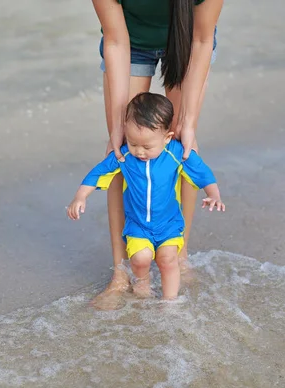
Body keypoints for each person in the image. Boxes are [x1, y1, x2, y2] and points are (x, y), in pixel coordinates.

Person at [91, 0, 223, 309]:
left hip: (188, 41)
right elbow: (115, 39)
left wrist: (187, 122)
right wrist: (116, 127)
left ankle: (179, 252)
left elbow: (202, 39)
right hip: (129, 43)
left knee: (183, 145)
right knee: (122, 148)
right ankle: (121, 271)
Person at [67, 92, 224, 300]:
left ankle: (170, 303)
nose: (139, 151)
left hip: (169, 224)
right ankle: (142, 283)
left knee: (168, 259)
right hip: (138, 225)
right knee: (141, 258)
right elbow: (98, 173)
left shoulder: (176, 153)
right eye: (133, 143)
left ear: (167, 138)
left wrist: (214, 194)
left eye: (147, 146)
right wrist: (80, 196)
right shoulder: (125, 156)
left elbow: (202, 172)